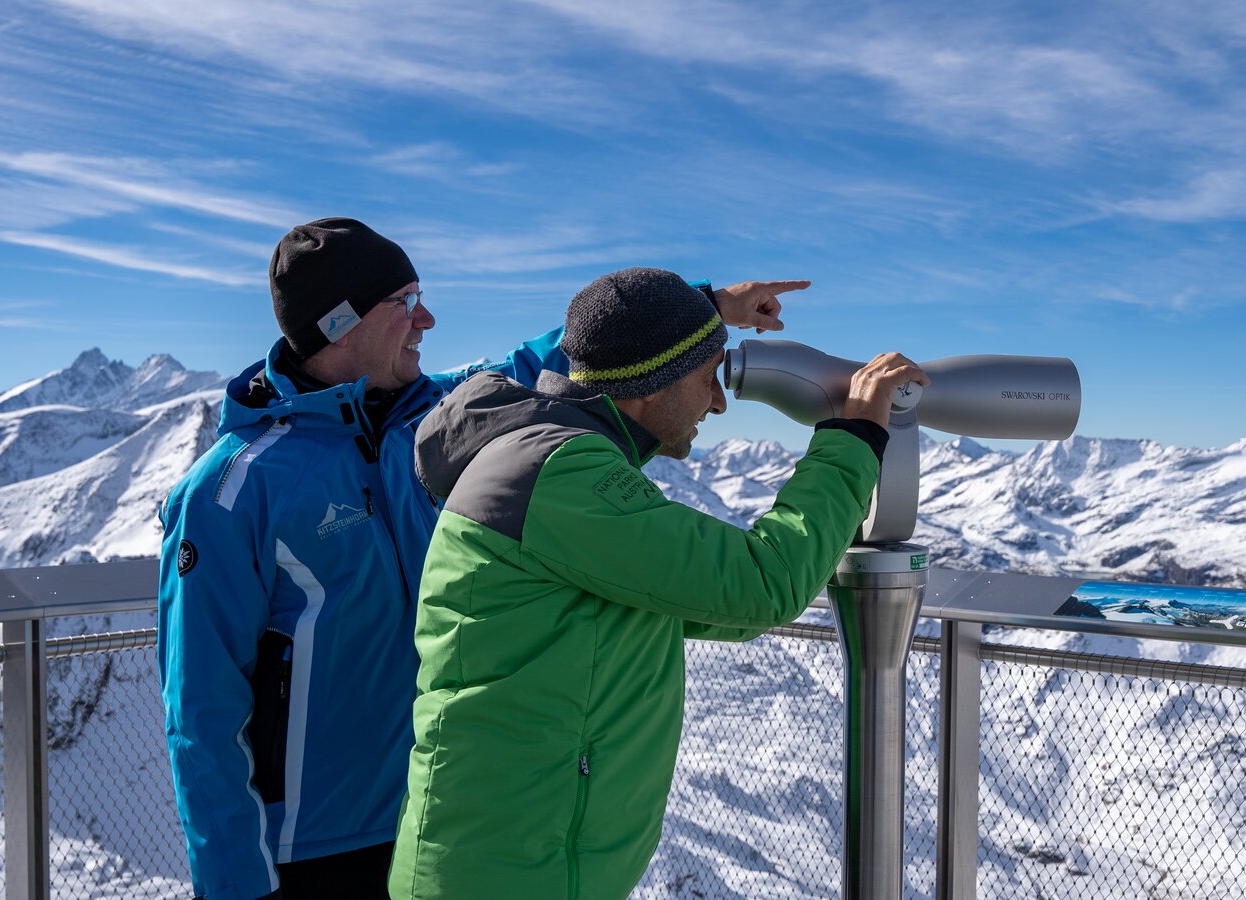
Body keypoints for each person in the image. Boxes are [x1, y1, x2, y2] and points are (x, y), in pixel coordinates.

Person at [157, 220, 802, 900]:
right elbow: (200, 707)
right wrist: (234, 884)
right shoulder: (232, 489)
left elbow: (568, 355)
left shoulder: (438, 417)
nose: (427, 319)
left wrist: (703, 307)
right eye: (404, 302)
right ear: (339, 322)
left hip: (441, 822)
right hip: (311, 849)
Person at [387, 267, 927, 899]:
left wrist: (703, 309)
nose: (719, 402)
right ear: (654, 382)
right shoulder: (557, 472)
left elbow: (708, 602)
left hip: (520, 859)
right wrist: (856, 435)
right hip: (504, 870)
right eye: (707, 378)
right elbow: (762, 586)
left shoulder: (558, 462)